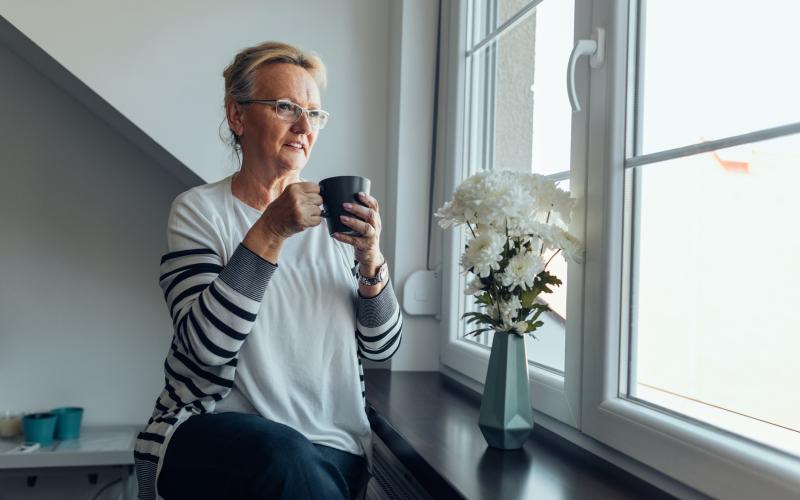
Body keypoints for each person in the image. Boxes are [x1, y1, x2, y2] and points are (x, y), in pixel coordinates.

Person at [133, 41, 402, 500]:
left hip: (333, 448)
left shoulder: (335, 219)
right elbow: (205, 349)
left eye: (314, 114)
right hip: (218, 436)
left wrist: (370, 260)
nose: (303, 126)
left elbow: (382, 348)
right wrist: (272, 229)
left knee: (300, 464)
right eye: (285, 108)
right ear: (237, 117)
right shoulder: (200, 212)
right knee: (281, 453)